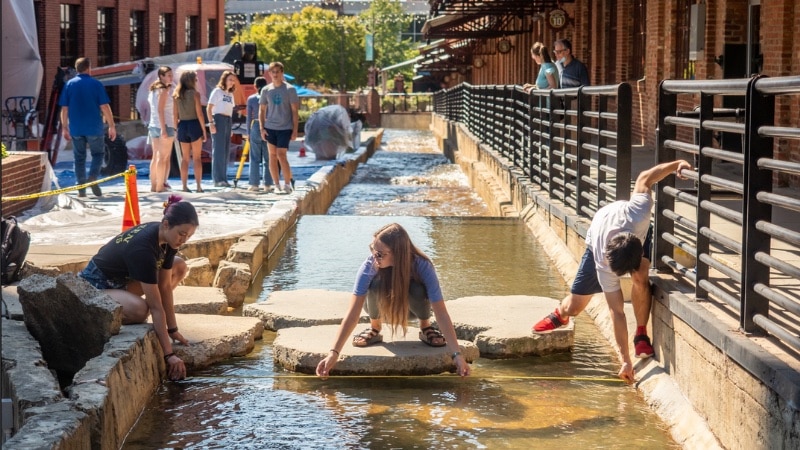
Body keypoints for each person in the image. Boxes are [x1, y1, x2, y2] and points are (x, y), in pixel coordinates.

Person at [532, 159, 692, 383]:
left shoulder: (639, 211)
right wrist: (624, 360)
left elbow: (646, 177)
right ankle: (561, 314)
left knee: (640, 277)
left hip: (633, 235)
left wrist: (676, 164)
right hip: (601, 233)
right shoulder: (602, 261)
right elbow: (616, 312)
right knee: (575, 307)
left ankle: (641, 334)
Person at [315, 223, 471, 379]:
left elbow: (441, 312)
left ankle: (425, 327)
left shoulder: (422, 265)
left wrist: (457, 355)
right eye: (373, 250)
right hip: (379, 310)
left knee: (417, 289)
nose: (375, 257)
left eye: (380, 254)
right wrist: (333, 353)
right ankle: (375, 328)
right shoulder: (370, 266)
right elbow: (353, 313)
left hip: (412, 311)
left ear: (398, 253)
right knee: (375, 285)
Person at [78, 196, 199, 381]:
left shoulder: (168, 239)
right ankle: (120, 308)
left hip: (121, 282)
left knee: (179, 266)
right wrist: (169, 355)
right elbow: (156, 307)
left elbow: (165, 286)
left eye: (189, 236)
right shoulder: (143, 249)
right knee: (142, 310)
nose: (184, 240)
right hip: (93, 288)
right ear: (166, 224)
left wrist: (172, 329)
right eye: (182, 234)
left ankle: (133, 303)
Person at [58, 57, 117, 198]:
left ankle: (81, 187)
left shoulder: (69, 85)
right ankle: (92, 177)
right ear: (89, 68)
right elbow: (105, 106)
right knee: (98, 154)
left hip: (76, 128)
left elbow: (64, 109)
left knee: (79, 158)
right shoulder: (96, 84)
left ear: (77, 69)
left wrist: (64, 127)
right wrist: (112, 125)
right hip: (94, 127)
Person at [259, 62, 299, 195]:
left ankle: (287, 184)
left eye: (278, 72)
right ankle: (276, 185)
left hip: (285, 127)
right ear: (269, 74)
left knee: (282, 155)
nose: (275, 74)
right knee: (272, 156)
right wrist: (262, 128)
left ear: (282, 73)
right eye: (273, 72)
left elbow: (294, 111)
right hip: (270, 127)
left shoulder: (290, 89)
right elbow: (262, 110)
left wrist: (295, 130)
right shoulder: (265, 90)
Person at [173, 70, 207, 193]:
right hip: (194, 125)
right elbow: (199, 113)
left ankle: (184, 186)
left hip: (182, 125)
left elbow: (175, 115)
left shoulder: (176, 95)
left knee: (185, 158)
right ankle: (198, 186)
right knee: (197, 158)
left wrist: (176, 130)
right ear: (191, 81)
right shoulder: (195, 94)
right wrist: (204, 130)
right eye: (196, 79)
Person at [147, 66, 176, 193]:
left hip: (153, 125)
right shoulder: (163, 91)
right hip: (164, 125)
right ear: (161, 76)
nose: (171, 77)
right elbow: (161, 110)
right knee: (163, 157)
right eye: (168, 75)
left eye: (171, 75)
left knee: (156, 157)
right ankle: (160, 185)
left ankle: (154, 185)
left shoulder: (153, 90)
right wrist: (164, 129)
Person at [207, 70, 237, 187]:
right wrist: (211, 123)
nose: (232, 82)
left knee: (225, 151)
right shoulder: (217, 91)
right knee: (218, 151)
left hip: (227, 120)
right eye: (230, 79)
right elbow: (209, 108)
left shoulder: (230, 94)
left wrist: (231, 127)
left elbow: (230, 110)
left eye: (233, 80)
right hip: (218, 119)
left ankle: (224, 178)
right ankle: (217, 179)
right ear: (224, 80)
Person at [245, 76, 273, 192]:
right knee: (268, 158)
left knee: (255, 157)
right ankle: (268, 184)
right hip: (269, 126)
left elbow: (248, 117)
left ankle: (254, 184)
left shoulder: (251, 99)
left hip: (256, 125)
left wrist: (248, 133)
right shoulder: (269, 97)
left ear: (255, 86)